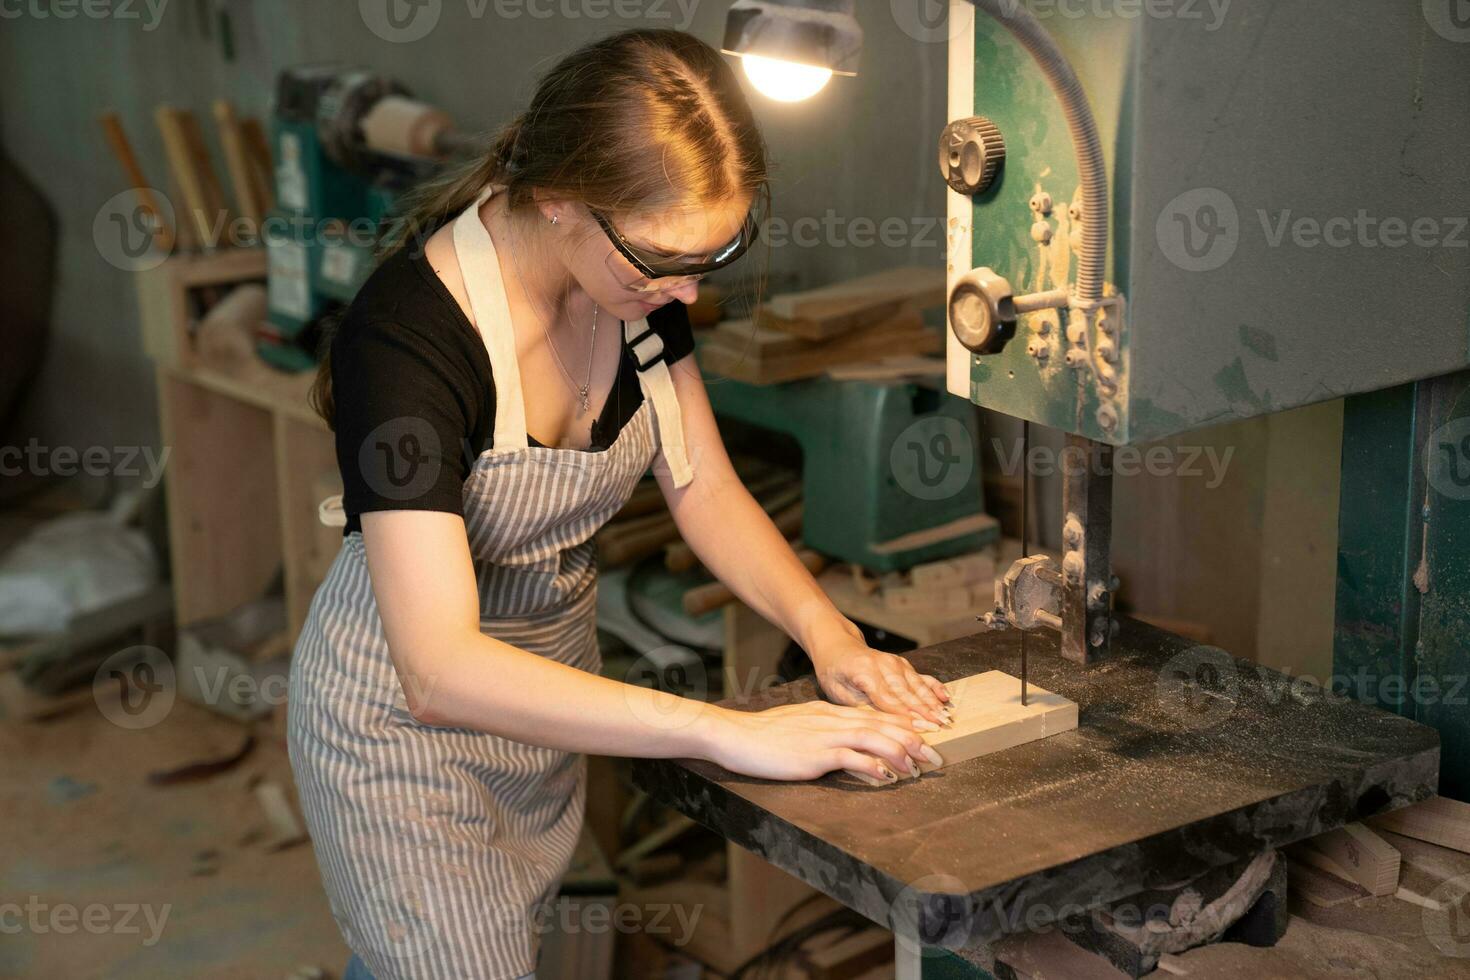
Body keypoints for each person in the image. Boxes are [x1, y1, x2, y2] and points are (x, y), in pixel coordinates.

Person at [287, 28, 953, 980]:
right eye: (663, 260)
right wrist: (727, 728)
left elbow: (704, 485)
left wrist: (830, 635)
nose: (686, 290)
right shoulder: (407, 341)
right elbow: (437, 670)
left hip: (548, 715)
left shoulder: (635, 286)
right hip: (403, 739)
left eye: (716, 253)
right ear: (561, 195)